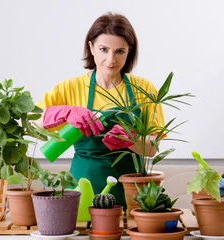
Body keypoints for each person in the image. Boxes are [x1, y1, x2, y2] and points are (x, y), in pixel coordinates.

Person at [36, 12, 165, 209]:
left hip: (133, 193)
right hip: (82, 189)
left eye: (120, 51)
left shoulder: (144, 89)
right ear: (91, 48)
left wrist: (130, 139)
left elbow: (152, 149)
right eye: (103, 49)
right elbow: (28, 122)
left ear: (129, 51)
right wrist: (65, 112)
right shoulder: (70, 88)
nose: (110, 59)